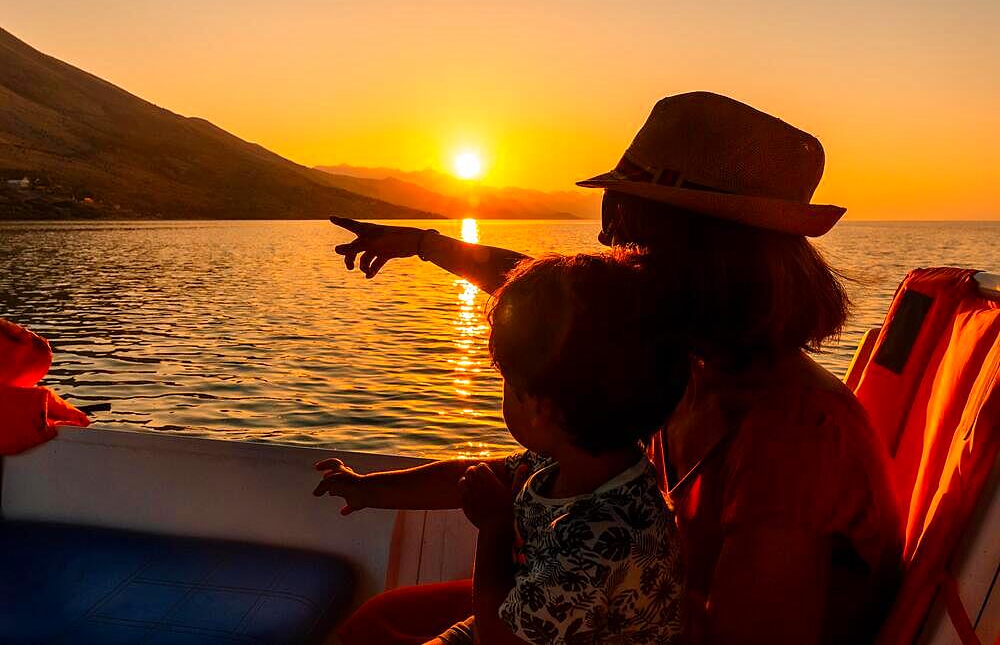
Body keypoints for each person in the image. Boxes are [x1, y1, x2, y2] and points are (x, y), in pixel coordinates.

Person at [330, 92, 902, 644]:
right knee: (380, 623)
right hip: (623, 614)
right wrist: (428, 244)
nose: (605, 243)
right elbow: (552, 293)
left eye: (622, 227)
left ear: (698, 253)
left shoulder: (794, 437)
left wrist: (502, 538)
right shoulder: (671, 360)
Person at [314, 252, 690, 644]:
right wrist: (366, 489)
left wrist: (494, 527)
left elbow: (499, 639)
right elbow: (469, 480)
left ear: (541, 409)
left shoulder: (605, 537)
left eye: (507, 380)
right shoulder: (571, 460)